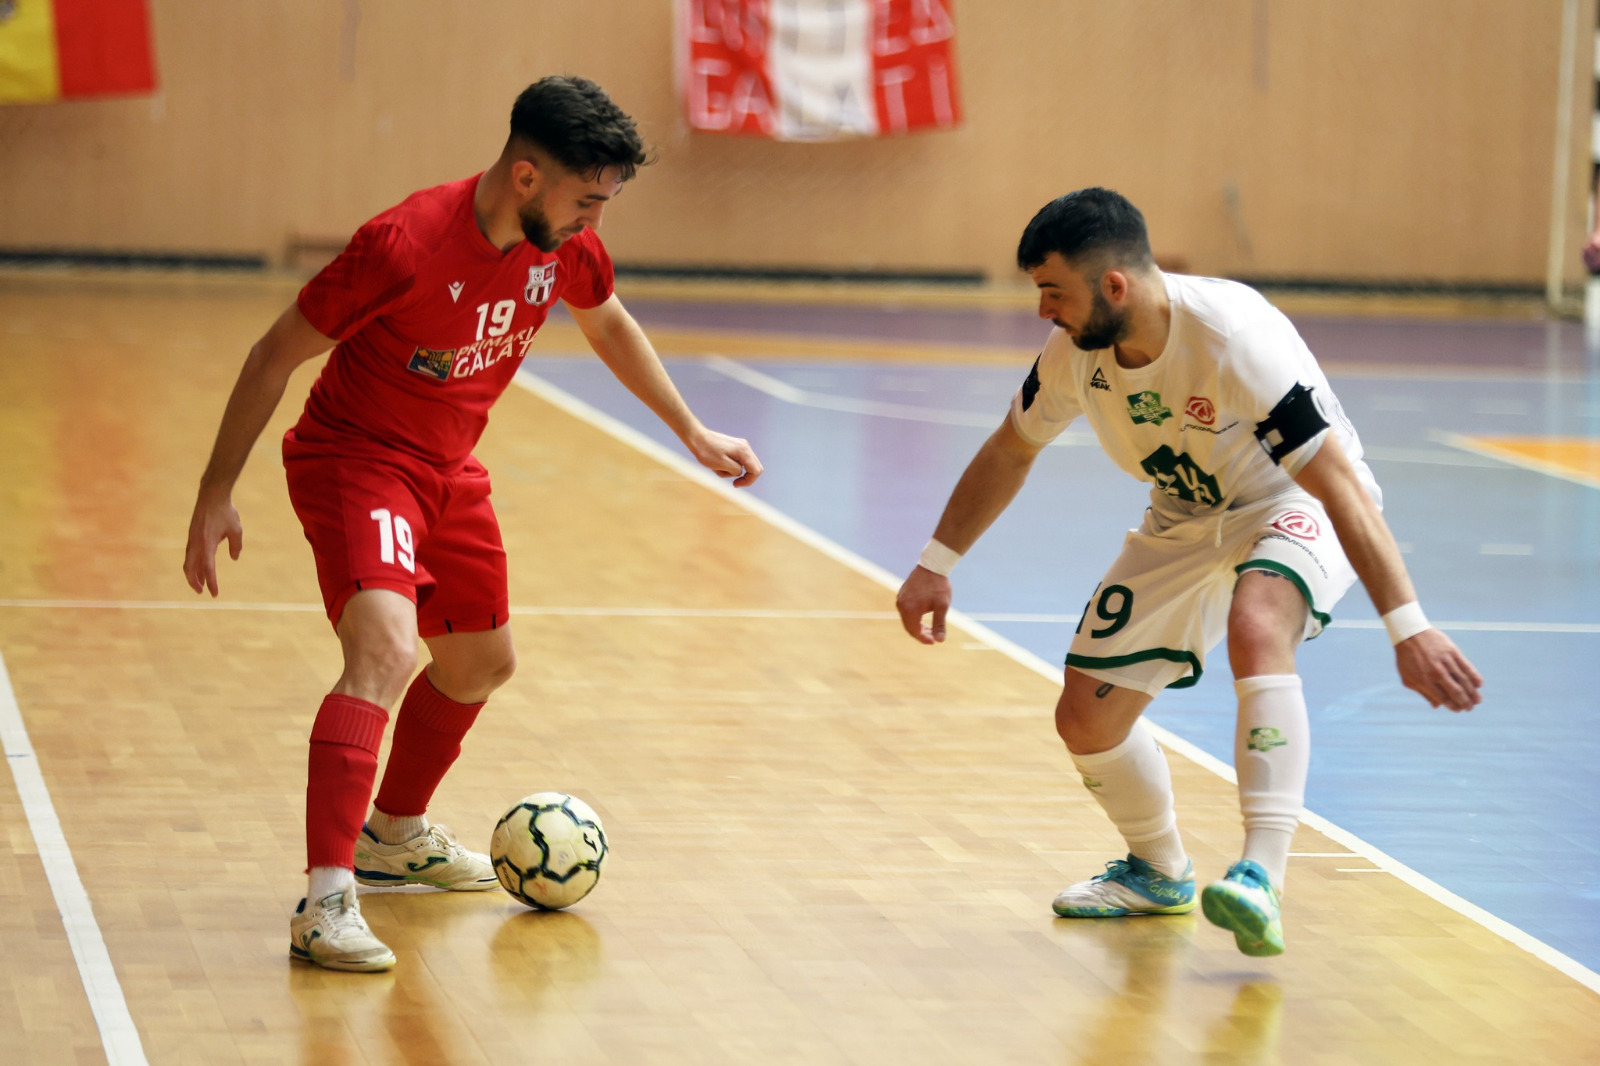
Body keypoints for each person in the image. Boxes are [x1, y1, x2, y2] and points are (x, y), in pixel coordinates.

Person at [182, 76, 762, 973]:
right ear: (526, 178)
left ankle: (393, 834)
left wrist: (690, 428)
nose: (593, 225)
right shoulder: (403, 244)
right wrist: (217, 487)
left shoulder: (562, 245)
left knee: (482, 664)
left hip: (450, 468)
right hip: (359, 458)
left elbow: (607, 325)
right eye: (585, 201)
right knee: (382, 651)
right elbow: (273, 354)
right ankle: (325, 901)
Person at [894, 188, 1481, 957]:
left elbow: (1337, 484)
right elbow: (1011, 447)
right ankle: (1157, 870)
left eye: (1053, 291)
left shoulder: (1234, 340)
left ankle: (1261, 877)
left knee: (1256, 620)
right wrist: (935, 563)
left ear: (1114, 288)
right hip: (1184, 513)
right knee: (1086, 717)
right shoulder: (1074, 357)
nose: (1042, 311)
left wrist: (1409, 626)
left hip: (1287, 499)